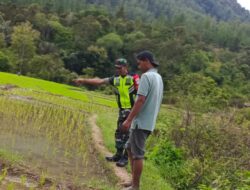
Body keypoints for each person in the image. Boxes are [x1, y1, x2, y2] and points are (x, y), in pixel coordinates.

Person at [73, 58, 139, 167]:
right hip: (122, 111)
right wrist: (83, 80)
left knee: (128, 135)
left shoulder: (134, 78)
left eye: (119, 68)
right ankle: (118, 154)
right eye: (116, 68)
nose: (117, 70)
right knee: (119, 133)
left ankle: (125, 158)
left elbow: (141, 93)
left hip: (132, 111)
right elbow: (99, 81)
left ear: (125, 67)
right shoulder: (115, 79)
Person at [122, 50, 163, 190]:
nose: (138, 66)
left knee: (138, 154)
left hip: (141, 123)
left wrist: (128, 120)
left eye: (139, 63)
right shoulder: (158, 77)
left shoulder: (146, 77)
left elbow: (140, 100)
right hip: (148, 122)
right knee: (128, 147)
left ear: (146, 60)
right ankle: (133, 180)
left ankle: (135, 187)